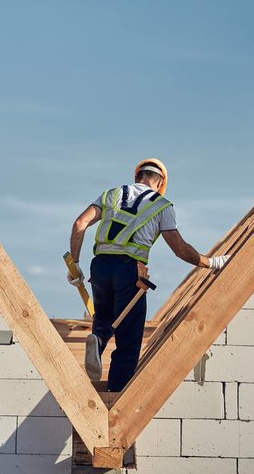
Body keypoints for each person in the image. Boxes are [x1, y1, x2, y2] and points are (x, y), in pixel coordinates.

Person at [67, 158, 229, 391]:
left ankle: (98, 340)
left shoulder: (112, 194)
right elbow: (179, 248)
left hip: (99, 266)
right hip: (129, 270)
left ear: (137, 177)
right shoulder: (161, 205)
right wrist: (210, 262)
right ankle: (116, 392)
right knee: (129, 336)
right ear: (160, 182)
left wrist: (74, 264)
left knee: (104, 317)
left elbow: (79, 223)